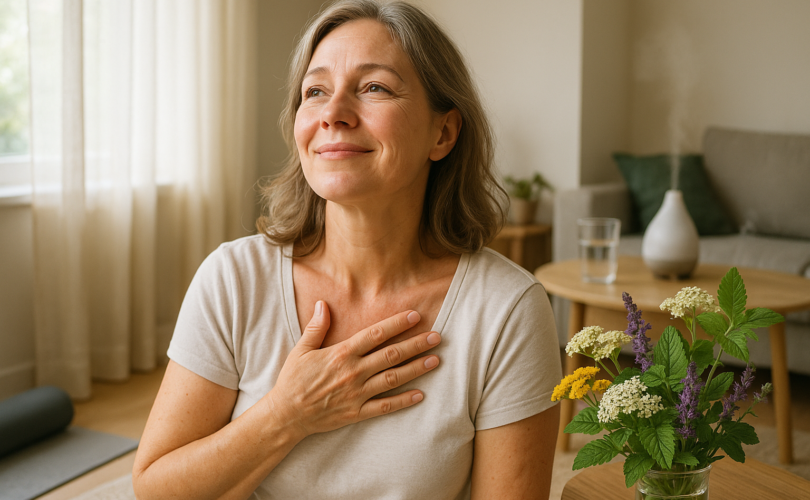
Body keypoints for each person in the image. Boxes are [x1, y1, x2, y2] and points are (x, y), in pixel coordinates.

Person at [132, 1, 561, 498]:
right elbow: (156, 489)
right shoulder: (232, 278)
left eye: (374, 87)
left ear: (442, 132)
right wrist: (287, 413)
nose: (332, 114)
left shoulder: (507, 308)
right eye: (315, 92)